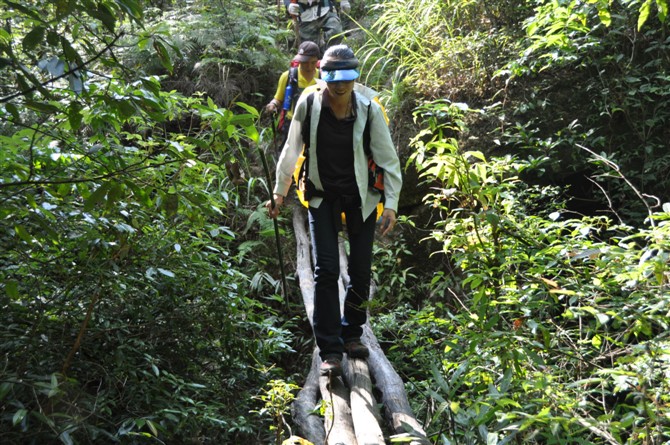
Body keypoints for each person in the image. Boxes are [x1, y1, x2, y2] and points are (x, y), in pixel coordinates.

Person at [266, 44, 402, 377]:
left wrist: (392, 205)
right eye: (333, 79)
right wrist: (279, 193)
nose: (339, 86)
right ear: (324, 76)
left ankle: (352, 332)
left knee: (360, 270)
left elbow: (388, 160)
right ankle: (330, 348)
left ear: (354, 80)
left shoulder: (368, 110)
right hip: (321, 197)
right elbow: (291, 149)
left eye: (346, 80)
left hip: (361, 199)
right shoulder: (309, 104)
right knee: (326, 270)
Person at [265, 41, 321, 149]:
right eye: (305, 62)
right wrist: (272, 105)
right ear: (299, 61)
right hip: (292, 124)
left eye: (313, 62)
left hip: (317, 123)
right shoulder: (288, 76)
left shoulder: (322, 77)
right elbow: (278, 99)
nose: (309, 67)